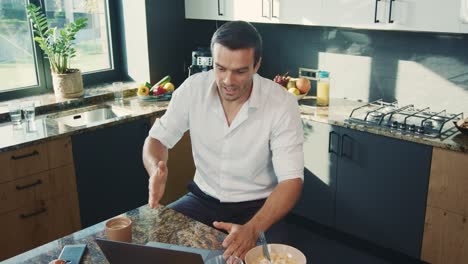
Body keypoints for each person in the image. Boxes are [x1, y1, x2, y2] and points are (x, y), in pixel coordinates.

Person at [142, 20, 304, 259]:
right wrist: (155, 167)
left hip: (259, 208)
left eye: (240, 71)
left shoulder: (281, 103)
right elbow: (156, 139)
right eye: (220, 68)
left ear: (257, 65)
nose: (228, 81)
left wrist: (252, 229)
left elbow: (291, 182)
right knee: (152, 249)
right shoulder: (192, 89)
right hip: (201, 200)